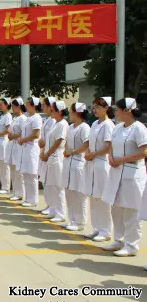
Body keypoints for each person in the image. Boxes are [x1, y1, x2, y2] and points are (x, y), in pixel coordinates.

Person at [101, 98, 147, 257]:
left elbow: (143, 152)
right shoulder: (118, 127)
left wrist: (120, 160)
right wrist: (111, 157)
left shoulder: (139, 128)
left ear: (127, 111)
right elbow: (111, 145)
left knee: (131, 211)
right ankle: (118, 239)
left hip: (132, 173)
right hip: (116, 172)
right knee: (116, 208)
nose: (116, 112)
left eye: (118, 110)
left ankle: (131, 245)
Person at [84, 97, 115, 242]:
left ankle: (106, 230)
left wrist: (93, 154)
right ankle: (96, 227)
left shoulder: (109, 125)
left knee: (103, 198)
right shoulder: (95, 123)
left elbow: (108, 146)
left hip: (102, 163)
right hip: (91, 162)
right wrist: (88, 154)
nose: (94, 110)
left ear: (106, 108)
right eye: (93, 106)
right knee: (93, 196)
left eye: (97, 107)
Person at [61, 103, 91, 232]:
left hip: (79, 162)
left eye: (71, 111)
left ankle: (80, 222)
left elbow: (86, 145)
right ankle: (72, 219)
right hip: (68, 162)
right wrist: (66, 150)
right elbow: (67, 142)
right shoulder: (71, 127)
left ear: (77, 113)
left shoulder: (84, 127)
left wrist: (72, 151)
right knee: (69, 191)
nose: (70, 114)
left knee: (79, 193)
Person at [40, 101, 69, 224]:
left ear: (60, 111)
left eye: (53, 109)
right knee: (51, 185)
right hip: (50, 157)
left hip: (57, 157)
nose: (51, 111)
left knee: (58, 186)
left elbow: (58, 142)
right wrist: (44, 152)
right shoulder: (55, 123)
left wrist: (47, 153)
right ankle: (53, 209)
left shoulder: (63, 124)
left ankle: (61, 213)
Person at [18, 97, 43, 207]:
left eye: (28, 104)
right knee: (26, 173)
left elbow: (36, 134)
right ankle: (28, 198)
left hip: (32, 148)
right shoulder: (28, 117)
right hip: (25, 148)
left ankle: (33, 200)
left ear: (34, 106)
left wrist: (23, 139)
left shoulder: (37, 118)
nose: (26, 106)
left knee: (32, 174)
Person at [38, 97, 57, 214]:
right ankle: (49, 204)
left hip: (50, 154)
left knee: (51, 183)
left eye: (44, 105)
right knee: (45, 181)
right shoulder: (47, 119)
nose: (42, 107)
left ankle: (53, 206)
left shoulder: (54, 121)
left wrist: (45, 146)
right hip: (44, 152)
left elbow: (54, 139)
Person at [6, 98, 27, 201]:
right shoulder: (14, 118)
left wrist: (13, 136)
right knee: (13, 170)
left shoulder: (23, 119)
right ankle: (15, 191)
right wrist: (10, 135)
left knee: (19, 171)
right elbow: (9, 130)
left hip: (19, 146)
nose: (12, 108)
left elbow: (23, 133)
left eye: (14, 106)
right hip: (12, 146)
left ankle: (20, 193)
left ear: (19, 107)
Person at [0, 98, 12, 195]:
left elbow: (7, 130)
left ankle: (6, 187)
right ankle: (2, 186)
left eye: (1, 104)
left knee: (4, 166)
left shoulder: (8, 116)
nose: (0, 106)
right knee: (0, 166)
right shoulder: (2, 116)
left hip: (4, 142)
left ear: (6, 105)